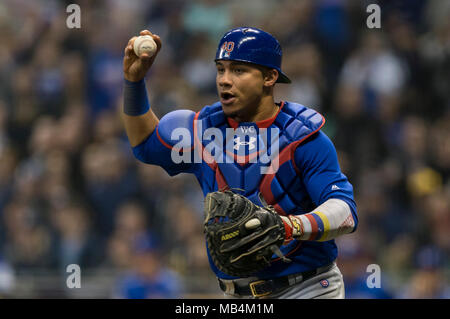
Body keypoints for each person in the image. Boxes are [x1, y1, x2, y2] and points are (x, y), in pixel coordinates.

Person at [122, 27, 358, 299]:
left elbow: (345, 213)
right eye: (220, 69)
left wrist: (289, 226)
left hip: (308, 288)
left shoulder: (302, 137)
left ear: (270, 77)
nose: (224, 80)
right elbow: (145, 146)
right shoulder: (203, 131)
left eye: (238, 70)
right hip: (236, 296)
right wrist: (134, 81)